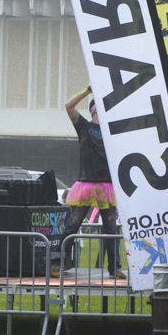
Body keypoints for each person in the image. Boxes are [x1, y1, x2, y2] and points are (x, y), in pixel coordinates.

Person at [62, 85, 123, 279]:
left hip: (106, 186)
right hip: (86, 185)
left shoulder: (112, 132)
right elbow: (69, 106)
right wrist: (87, 91)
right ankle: (59, 261)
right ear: (95, 111)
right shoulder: (84, 127)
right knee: (72, 225)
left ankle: (114, 268)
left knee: (111, 230)